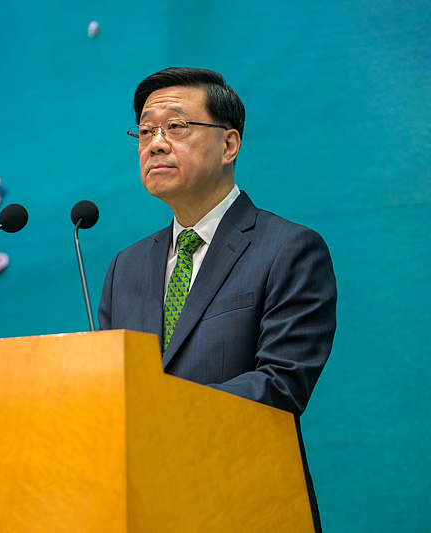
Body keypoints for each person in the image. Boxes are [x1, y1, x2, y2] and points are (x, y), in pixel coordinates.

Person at [98, 67, 336, 531]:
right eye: (146, 130)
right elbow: (112, 392)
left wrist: (158, 412)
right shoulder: (124, 269)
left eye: (176, 126)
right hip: (146, 511)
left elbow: (281, 384)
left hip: (246, 506)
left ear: (229, 145)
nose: (156, 143)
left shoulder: (288, 248)